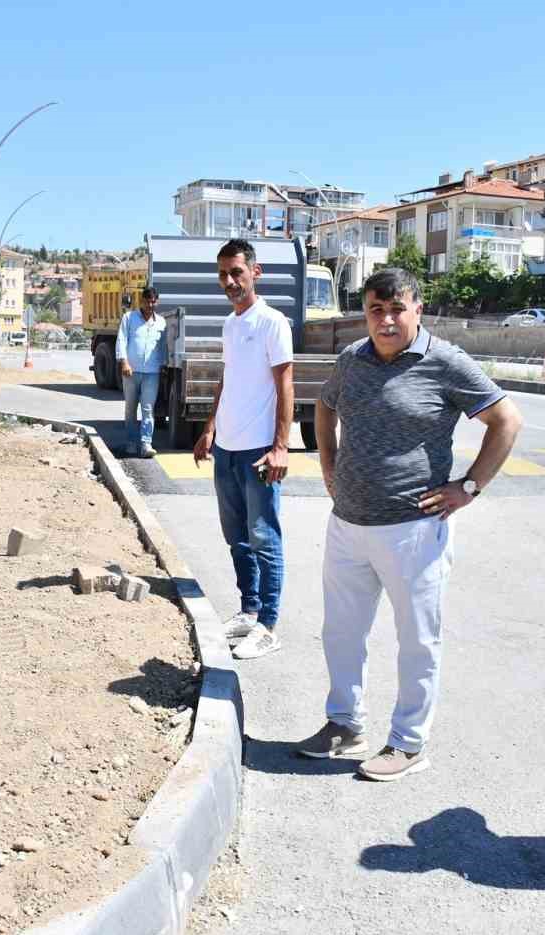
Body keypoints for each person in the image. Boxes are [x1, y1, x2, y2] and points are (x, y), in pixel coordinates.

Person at [299, 268, 522, 782]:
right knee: (342, 632)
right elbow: (324, 406)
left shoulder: (445, 362)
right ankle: (343, 723)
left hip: (412, 530)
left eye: (397, 308)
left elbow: (507, 421)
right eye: (377, 309)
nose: (387, 319)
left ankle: (407, 742)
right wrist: (328, 465)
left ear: (417, 308)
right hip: (347, 525)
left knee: (417, 639)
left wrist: (468, 488)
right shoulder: (352, 360)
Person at [193, 238, 293, 660]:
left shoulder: (272, 322)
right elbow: (227, 378)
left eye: (237, 272)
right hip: (228, 449)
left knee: (264, 537)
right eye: (223, 275)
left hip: (257, 451)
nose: (230, 281)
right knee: (236, 537)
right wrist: (210, 427)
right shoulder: (231, 324)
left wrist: (281, 447)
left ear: (256, 272)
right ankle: (249, 609)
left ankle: (269, 625)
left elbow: (285, 384)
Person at [116, 287, 167, 458]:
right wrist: (124, 362)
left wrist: (163, 364)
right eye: (147, 301)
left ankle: (146, 444)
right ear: (141, 301)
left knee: (147, 408)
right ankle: (131, 442)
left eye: (153, 301)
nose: (150, 304)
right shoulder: (129, 318)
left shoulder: (161, 322)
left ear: (157, 302)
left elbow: (163, 346)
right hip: (131, 371)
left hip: (152, 372)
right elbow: (122, 340)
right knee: (131, 408)